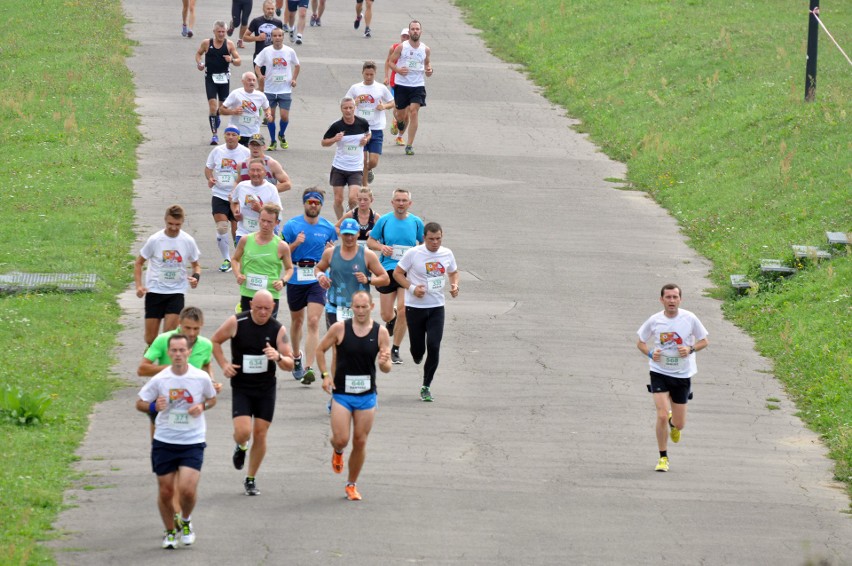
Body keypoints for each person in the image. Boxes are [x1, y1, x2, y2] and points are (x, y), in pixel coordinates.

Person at [136, 334, 217, 549]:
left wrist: (203, 407)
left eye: (182, 350)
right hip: (164, 439)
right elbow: (140, 403)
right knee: (166, 491)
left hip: (192, 440)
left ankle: (186, 520)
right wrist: (154, 407)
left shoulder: (200, 377)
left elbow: (212, 399)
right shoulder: (161, 379)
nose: (178, 354)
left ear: (189, 352)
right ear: (169, 353)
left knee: (187, 490)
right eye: (174, 351)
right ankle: (170, 531)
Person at [211, 289, 294, 496]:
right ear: (250, 306)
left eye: (267, 308)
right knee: (243, 432)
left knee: (260, 433)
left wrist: (278, 357)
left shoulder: (278, 329)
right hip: (242, 386)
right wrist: (224, 365)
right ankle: (241, 446)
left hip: (266, 388)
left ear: (273, 308)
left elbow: (290, 363)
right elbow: (214, 341)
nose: (263, 312)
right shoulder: (236, 322)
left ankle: (250, 478)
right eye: (259, 308)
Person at [316, 290, 391, 501]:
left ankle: (351, 484)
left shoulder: (380, 332)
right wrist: (324, 376)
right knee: (341, 439)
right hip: (342, 394)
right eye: (356, 307)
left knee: (360, 441)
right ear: (351, 307)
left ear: (371, 307)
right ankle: (337, 451)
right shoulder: (339, 328)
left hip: (367, 395)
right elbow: (320, 350)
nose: (360, 311)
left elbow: (386, 368)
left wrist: (385, 362)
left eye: (364, 307)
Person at [636, 283, 709, 473]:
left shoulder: (690, 318)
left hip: (683, 374)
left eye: (675, 297)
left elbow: (704, 341)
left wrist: (690, 349)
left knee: (679, 424)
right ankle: (663, 458)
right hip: (659, 372)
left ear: (680, 300)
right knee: (660, 413)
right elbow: (641, 342)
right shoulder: (655, 320)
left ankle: (673, 423)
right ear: (661, 300)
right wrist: (651, 354)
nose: (671, 301)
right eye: (668, 297)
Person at [393, 222, 459, 402]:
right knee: (417, 351)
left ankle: (426, 385)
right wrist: (412, 288)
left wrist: (454, 285)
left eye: (438, 239)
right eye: (431, 239)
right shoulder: (413, 253)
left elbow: (453, 272)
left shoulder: (447, 253)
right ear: (424, 238)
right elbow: (397, 274)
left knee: (434, 346)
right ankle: (416, 353)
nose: (435, 243)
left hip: (437, 307)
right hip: (415, 308)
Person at [281, 188, 338, 384]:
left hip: (316, 277)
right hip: (296, 276)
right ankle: (297, 357)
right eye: (310, 202)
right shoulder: (291, 226)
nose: (313, 205)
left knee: (313, 321)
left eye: (317, 203)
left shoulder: (328, 228)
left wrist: (331, 252)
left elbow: (334, 255)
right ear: (304, 203)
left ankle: (309, 368)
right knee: (297, 322)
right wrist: (295, 243)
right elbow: (281, 252)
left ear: (321, 205)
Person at [366, 189, 423, 365]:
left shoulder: (416, 222)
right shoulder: (384, 220)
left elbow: (423, 243)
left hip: (407, 271)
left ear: (409, 204)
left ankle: (395, 349)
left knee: (404, 310)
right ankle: (392, 319)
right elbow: (370, 241)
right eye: (397, 200)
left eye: (404, 200)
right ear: (392, 202)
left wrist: (418, 257)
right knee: (385, 314)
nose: (400, 203)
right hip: (388, 269)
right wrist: (382, 247)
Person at [134, 205, 202, 347]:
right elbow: (139, 263)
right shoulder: (155, 240)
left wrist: (195, 277)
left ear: (182, 222)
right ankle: (151, 358)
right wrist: (139, 286)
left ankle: (166, 366)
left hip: (176, 292)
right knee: (150, 339)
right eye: (170, 224)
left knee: (169, 336)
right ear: (165, 220)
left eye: (177, 224)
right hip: (155, 291)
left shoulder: (187, 241)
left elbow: (196, 265)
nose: (173, 228)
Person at [315, 217, 389, 326]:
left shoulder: (367, 255)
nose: (349, 238)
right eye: (346, 234)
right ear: (340, 234)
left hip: (360, 310)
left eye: (352, 234)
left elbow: (385, 279)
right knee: (336, 342)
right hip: (334, 307)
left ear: (358, 234)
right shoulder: (330, 253)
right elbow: (318, 268)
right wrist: (321, 276)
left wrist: (368, 280)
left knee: (357, 343)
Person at [232, 203, 294, 318]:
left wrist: (282, 281)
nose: (265, 225)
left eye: (269, 222)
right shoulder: (246, 240)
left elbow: (289, 268)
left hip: (270, 295)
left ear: (276, 223)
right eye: (263, 220)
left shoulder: (281, 246)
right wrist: (238, 274)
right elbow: (235, 259)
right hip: (248, 292)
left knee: (267, 332)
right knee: (247, 331)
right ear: (258, 219)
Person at [205, 125, 251, 273]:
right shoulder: (217, 151)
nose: (230, 137)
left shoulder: (245, 152)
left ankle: (237, 258)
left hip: (238, 196)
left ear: (238, 137)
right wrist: (210, 178)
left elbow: (252, 170)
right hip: (219, 194)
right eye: (228, 134)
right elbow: (208, 168)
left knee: (236, 230)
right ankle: (226, 259)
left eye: (233, 135)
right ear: (224, 136)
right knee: (221, 227)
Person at [345, 61, 394, 186]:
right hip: (360, 128)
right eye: (366, 74)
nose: (368, 77)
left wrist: (384, 106)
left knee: (372, 161)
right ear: (362, 73)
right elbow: (345, 103)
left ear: (375, 74)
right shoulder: (355, 88)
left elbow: (393, 102)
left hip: (376, 127)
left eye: (371, 74)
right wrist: (354, 103)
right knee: (363, 159)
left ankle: (369, 170)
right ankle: (364, 188)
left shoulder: (380, 88)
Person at [321, 96, 371, 219]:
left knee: (353, 199)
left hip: (356, 168)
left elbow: (368, 133)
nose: (348, 110)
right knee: (338, 200)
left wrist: (366, 140)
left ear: (354, 108)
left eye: (350, 108)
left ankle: (352, 222)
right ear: (341, 109)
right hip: (339, 167)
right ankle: (340, 222)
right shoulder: (336, 125)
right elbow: (324, 142)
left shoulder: (362, 123)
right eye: (345, 108)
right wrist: (334, 139)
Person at [388, 20, 433, 156]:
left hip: (417, 85)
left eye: (417, 29)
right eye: (412, 29)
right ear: (409, 31)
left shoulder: (425, 49)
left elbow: (427, 64)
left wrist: (429, 70)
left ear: (421, 31)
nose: (415, 31)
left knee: (414, 111)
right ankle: (399, 122)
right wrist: (397, 69)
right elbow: (390, 62)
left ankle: (409, 145)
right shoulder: (402, 47)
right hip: (402, 84)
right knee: (401, 114)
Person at [196, 21, 241, 145]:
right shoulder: (206, 43)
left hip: (224, 79)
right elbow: (198, 54)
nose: (221, 34)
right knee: (212, 106)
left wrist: (231, 60)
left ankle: (217, 116)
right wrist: (199, 63)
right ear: (214, 32)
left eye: (223, 32)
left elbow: (239, 61)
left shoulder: (229, 44)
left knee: (221, 109)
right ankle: (214, 135)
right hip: (210, 77)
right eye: (219, 32)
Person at [254, 27, 300, 150]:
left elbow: (297, 65)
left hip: (284, 89)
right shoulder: (266, 51)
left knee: (284, 116)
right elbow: (257, 65)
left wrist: (294, 79)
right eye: (275, 36)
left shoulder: (289, 51)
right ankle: (273, 141)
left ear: (283, 37)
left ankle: (281, 134)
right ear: (272, 37)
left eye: (280, 36)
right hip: (270, 89)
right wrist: (260, 76)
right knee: (271, 117)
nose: (277, 38)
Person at [230, 158, 283, 244]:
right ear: (248, 172)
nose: (255, 173)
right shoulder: (241, 186)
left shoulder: (271, 189)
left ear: (265, 172)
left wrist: (260, 210)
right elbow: (234, 201)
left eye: (258, 170)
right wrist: (235, 211)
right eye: (252, 170)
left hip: (264, 236)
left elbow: (278, 215)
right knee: (241, 257)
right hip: (243, 234)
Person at [220, 72, 273, 146]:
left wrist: (268, 114)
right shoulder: (236, 93)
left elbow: (267, 108)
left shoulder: (261, 96)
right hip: (236, 133)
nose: (252, 82)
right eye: (249, 80)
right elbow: (221, 110)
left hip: (253, 133)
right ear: (243, 81)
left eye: (254, 80)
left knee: (252, 156)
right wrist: (233, 112)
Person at [243, 0, 284, 91]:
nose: (270, 11)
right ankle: (261, 103)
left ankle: (268, 104)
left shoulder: (278, 23)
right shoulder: (256, 21)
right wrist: (257, 38)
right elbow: (245, 37)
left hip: (274, 57)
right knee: (261, 81)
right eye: (268, 9)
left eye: (272, 9)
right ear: (263, 9)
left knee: (271, 84)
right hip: (260, 56)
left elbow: (281, 39)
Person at [384, 27, 410, 146]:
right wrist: (386, 76)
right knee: (397, 110)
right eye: (403, 36)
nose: (405, 38)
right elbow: (388, 62)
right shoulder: (394, 48)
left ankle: (400, 136)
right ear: (401, 37)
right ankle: (396, 119)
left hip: (411, 84)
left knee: (407, 113)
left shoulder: (416, 49)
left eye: (407, 37)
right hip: (396, 83)